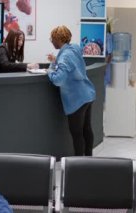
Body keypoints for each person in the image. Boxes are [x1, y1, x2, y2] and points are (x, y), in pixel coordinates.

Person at [46, 26, 96, 156]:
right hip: (87, 94)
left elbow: (58, 80)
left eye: (52, 39)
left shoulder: (65, 57)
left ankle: (79, 164)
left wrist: (50, 69)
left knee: (77, 133)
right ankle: (89, 158)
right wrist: (55, 61)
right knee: (87, 129)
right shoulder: (74, 48)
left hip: (76, 99)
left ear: (58, 39)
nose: (51, 41)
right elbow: (70, 65)